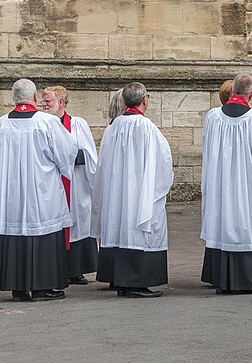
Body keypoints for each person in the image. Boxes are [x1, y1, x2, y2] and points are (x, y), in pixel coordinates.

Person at [200, 73, 252, 295]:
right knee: (251, 224)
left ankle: (224, 279)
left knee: (225, 222)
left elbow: (207, 152)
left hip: (222, 185)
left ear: (231, 91)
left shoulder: (213, 118)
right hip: (250, 187)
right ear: (251, 94)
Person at [93, 82, 173, 298]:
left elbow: (103, 164)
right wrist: (159, 188)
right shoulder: (146, 127)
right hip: (139, 193)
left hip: (118, 194)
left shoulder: (113, 127)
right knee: (138, 232)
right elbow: (164, 159)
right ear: (144, 99)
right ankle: (137, 282)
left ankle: (123, 282)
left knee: (121, 230)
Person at [0, 79, 77, 302]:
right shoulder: (48, 122)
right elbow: (66, 152)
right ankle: (43, 286)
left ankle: (17, 287)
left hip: (10, 194)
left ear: (13, 98)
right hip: (41, 191)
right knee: (42, 229)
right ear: (34, 98)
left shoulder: (2, 124)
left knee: (14, 230)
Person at [41, 86, 99, 286]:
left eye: (48, 101)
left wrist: (66, 157)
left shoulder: (77, 125)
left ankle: (76, 270)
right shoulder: (40, 124)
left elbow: (89, 155)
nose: (44, 104)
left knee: (77, 221)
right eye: (43, 100)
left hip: (75, 184)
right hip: (51, 184)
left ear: (61, 103)